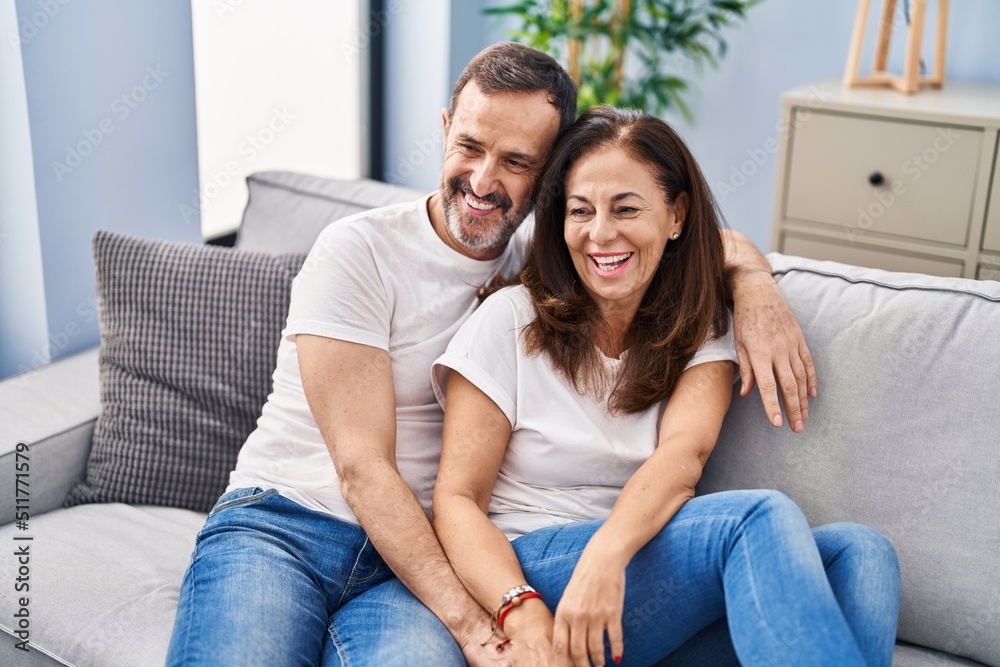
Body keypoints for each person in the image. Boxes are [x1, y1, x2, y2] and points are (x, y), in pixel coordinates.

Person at [167, 43, 821, 666]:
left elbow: (689, 238)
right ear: (446, 126)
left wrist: (757, 286)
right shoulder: (359, 250)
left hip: (420, 557)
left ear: (548, 175)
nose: (483, 180)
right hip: (286, 525)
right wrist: (479, 621)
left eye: (515, 161)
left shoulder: (550, 259)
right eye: (469, 146)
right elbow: (361, 470)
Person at [431, 105, 900, 667]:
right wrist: (521, 606)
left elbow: (685, 454)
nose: (601, 234)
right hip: (535, 565)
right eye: (581, 211)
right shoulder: (510, 321)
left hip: (630, 569)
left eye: (626, 208)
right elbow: (456, 501)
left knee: (862, 554)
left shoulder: (697, 323)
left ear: (676, 214)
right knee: (755, 518)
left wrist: (608, 555)